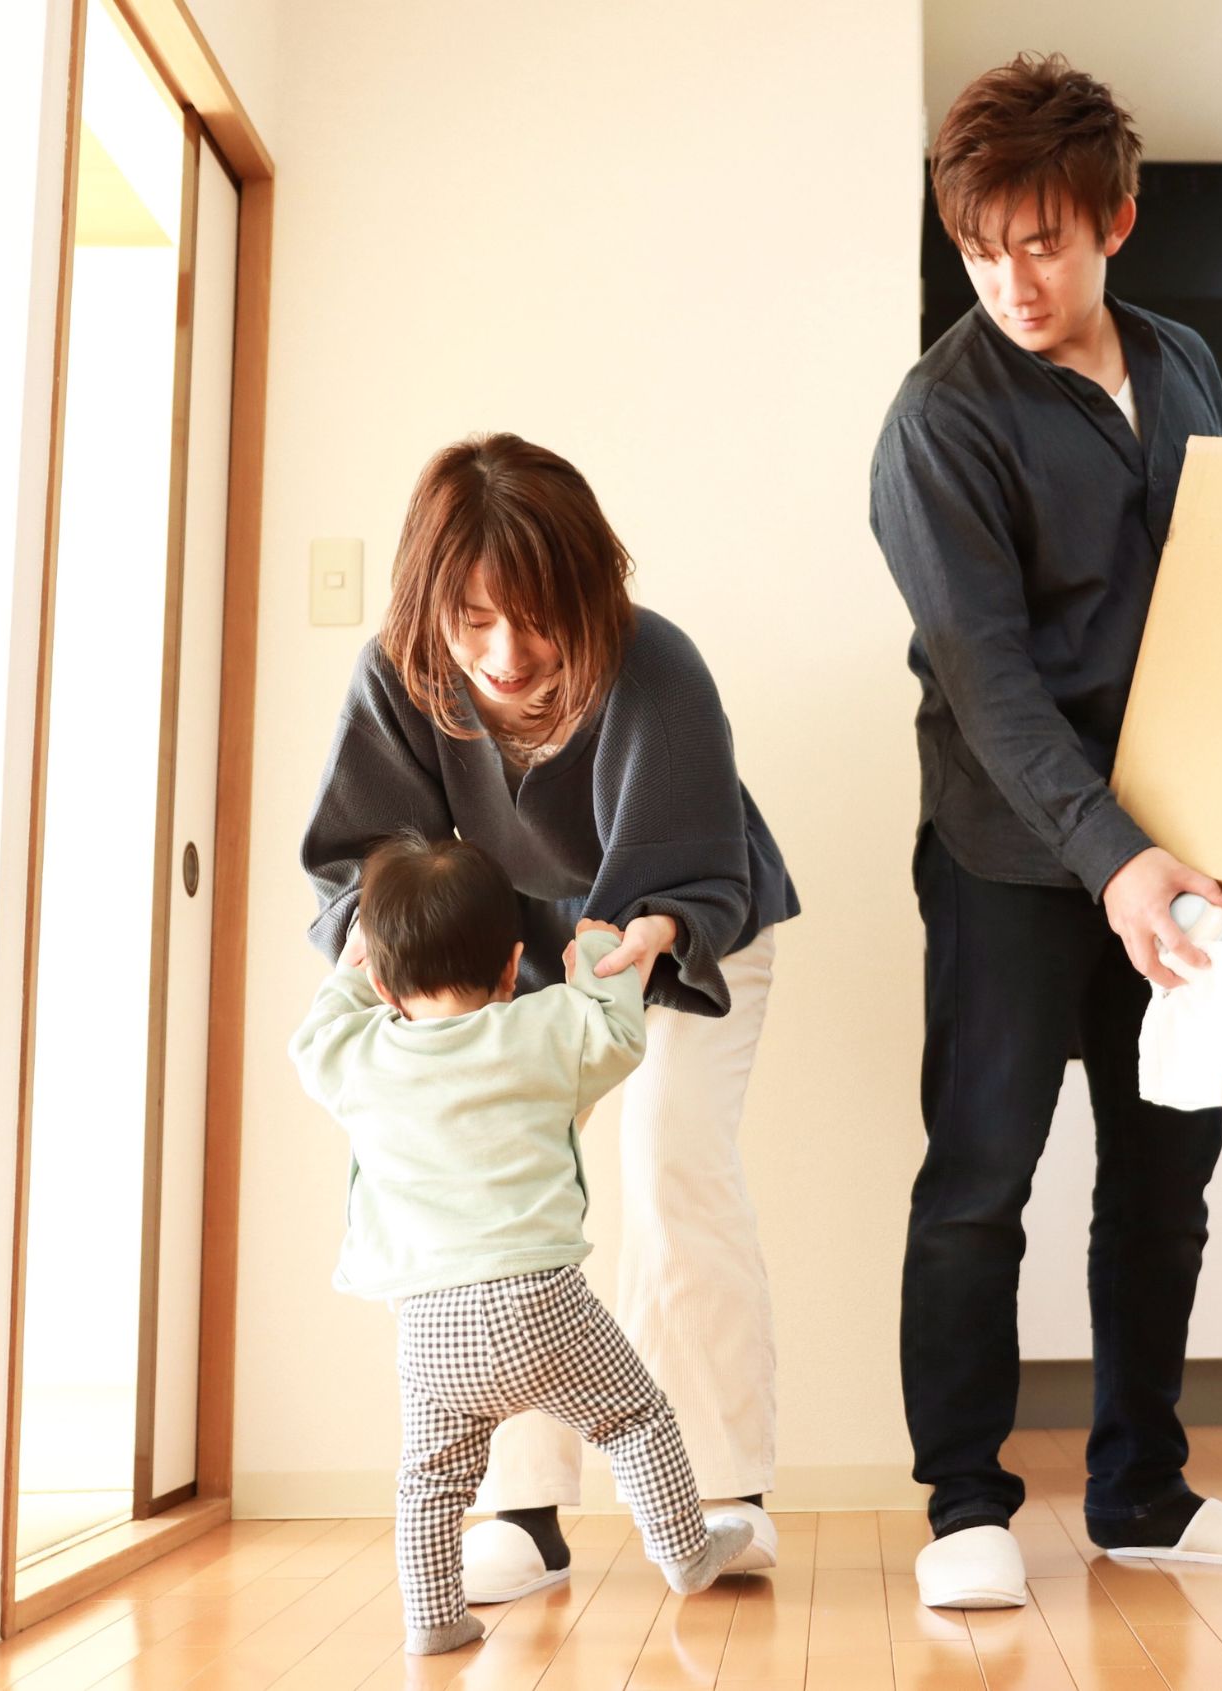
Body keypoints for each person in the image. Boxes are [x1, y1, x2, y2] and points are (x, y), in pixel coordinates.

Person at [871, 53, 1222, 1610]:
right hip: (1011, 856)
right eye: (981, 247)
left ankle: (1145, 1489)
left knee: (1163, 1179)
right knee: (979, 1178)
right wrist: (1113, 855)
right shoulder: (938, 423)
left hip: (1183, 860)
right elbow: (988, 681)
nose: (1014, 279)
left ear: (1115, 222)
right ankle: (965, 1503)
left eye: (1045, 242)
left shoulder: (1187, 363)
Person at [302, 434, 799, 1601]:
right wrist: (388, 951)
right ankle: (521, 1511)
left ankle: (721, 1491)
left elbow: (692, 866)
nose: (506, 654)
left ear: (586, 590)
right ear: (432, 604)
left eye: (535, 619)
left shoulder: (653, 664)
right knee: (488, 1203)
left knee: (673, 1167)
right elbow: (362, 859)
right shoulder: (401, 673)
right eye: (474, 619)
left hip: (680, 931)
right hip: (505, 954)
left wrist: (655, 933)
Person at [291, 833, 755, 1654]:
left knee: (431, 1478)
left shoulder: (360, 1057)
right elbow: (617, 1033)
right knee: (637, 1418)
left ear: (386, 984)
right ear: (512, 967)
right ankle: (685, 1550)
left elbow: (315, 1037)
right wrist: (595, 958)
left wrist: (356, 965)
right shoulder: (543, 1030)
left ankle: (433, 1618)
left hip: (431, 1326)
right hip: (543, 1306)